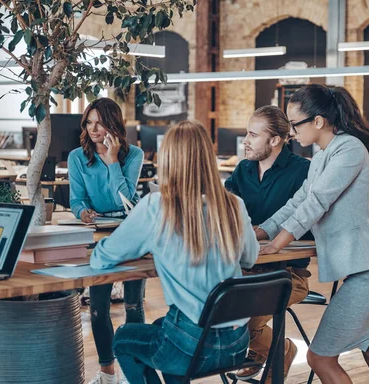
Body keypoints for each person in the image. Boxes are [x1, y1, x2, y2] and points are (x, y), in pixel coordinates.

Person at [90, 120, 259, 384]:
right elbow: (250, 257)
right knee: (163, 328)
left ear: (167, 159)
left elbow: (101, 259)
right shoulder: (233, 204)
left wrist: (136, 244)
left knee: (124, 339)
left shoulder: (157, 206)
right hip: (236, 344)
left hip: (191, 346)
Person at [256, 84, 369, 384]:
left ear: (318, 121)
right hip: (366, 270)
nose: (291, 133)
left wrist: (278, 244)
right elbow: (298, 201)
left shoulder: (349, 149)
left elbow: (317, 202)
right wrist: (261, 231)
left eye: (294, 124)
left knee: (319, 357)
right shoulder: (323, 155)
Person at [225, 105, 311, 382]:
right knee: (213, 310)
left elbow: (304, 222)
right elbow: (224, 210)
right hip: (244, 268)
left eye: (252, 134)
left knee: (241, 320)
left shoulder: (303, 172)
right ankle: (268, 350)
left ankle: (279, 350)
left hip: (287, 274)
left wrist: (262, 233)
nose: (245, 141)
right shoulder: (243, 169)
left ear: (275, 140)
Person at [67, 98, 145, 384]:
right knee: (98, 307)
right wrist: (82, 212)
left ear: (114, 123)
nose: (93, 128)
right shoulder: (77, 157)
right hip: (98, 233)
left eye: (99, 122)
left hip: (131, 231)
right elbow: (76, 199)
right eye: (88, 122)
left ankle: (134, 372)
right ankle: (107, 374)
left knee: (133, 305)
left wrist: (113, 161)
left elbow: (123, 201)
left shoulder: (133, 154)